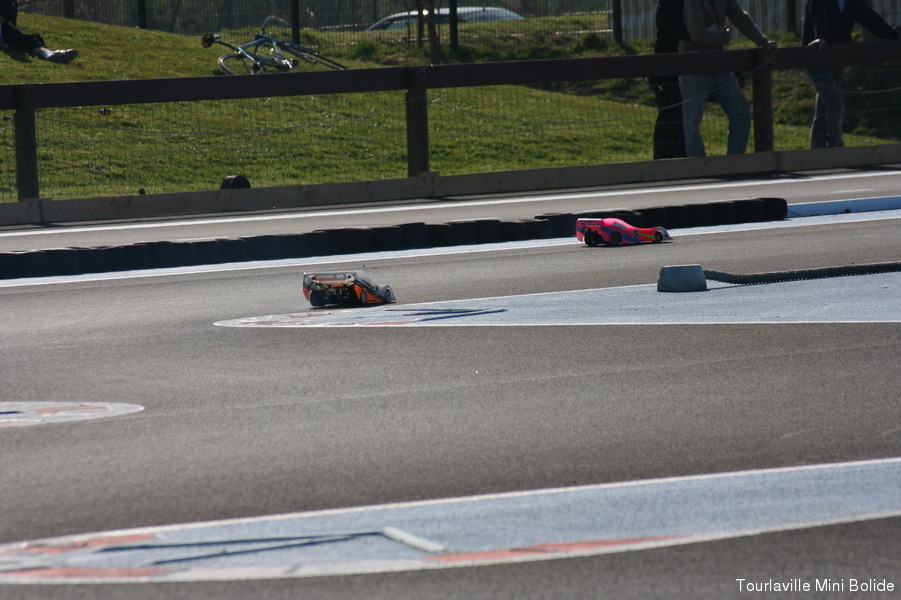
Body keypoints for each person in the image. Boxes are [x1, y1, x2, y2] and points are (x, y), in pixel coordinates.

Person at [678, 0, 777, 157]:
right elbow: (697, 34)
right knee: (692, 120)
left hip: (719, 65)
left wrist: (763, 41)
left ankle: (734, 161)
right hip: (693, 66)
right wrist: (723, 38)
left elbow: (740, 17)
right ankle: (698, 164)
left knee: (740, 110)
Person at [802, 0, 899, 149]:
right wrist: (821, 36)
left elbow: (868, 17)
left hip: (838, 58)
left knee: (823, 108)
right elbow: (818, 14)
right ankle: (836, 147)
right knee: (835, 107)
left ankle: (817, 150)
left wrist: (893, 35)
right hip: (817, 58)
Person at [650, 0, 689, 159]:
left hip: (677, 69)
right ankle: (665, 159)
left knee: (678, 117)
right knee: (670, 118)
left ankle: (679, 157)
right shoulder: (667, 7)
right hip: (666, 72)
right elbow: (679, 31)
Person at [0, 0, 78, 63]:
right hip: (7, 36)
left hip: (8, 34)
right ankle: (49, 54)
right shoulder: (7, 2)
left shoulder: (11, 2)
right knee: (32, 40)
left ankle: (50, 54)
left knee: (33, 39)